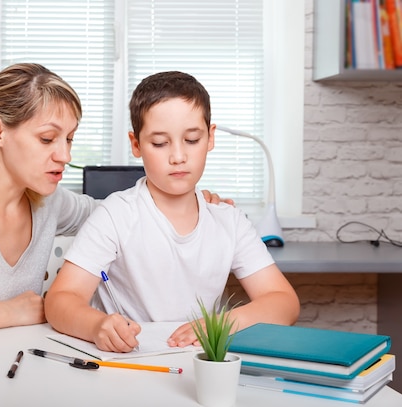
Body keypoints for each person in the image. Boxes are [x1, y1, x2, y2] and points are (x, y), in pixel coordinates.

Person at [0, 63, 227, 345]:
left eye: (69, 139)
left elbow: (119, 212)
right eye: (48, 138)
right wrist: (9, 312)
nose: (65, 155)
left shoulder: (47, 200)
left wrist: (188, 200)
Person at [44, 71, 300, 353]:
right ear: (136, 145)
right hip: (132, 364)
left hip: (200, 364)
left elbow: (284, 302)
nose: (178, 156)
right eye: (160, 143)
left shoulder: (229, 221)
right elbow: (60, 300)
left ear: (210, 138)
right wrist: (96, 326)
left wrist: (221, 324)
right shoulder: (116, 215)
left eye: (191, 140)